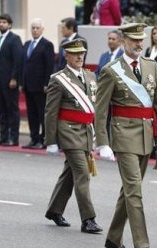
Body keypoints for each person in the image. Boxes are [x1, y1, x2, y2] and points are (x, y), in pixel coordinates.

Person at [95, 23, 157, 248]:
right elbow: (101, 110)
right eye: (134, 40)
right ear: (123, 42)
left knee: (129, 190)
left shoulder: (151, 66)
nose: (139, 44)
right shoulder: (111, 70)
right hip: (124, 136)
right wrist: (102, 142)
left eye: (141, 40)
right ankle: (143, 246)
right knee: (135, 192)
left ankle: (114, 237)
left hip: (147, 136)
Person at [44, 39, 102, 234]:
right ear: (66, 56)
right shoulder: (58, 79)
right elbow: (51, 112)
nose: (79, 57)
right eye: (75, 53)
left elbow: (95, 107)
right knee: (82, 173)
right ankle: (88, 219)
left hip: (85, 132)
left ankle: (54, 210)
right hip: (68, 132)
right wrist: (51, 141)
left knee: (70, 173)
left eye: (82, 53)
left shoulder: (91, 76)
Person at [20, 18, 54, 149]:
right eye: (33, 28)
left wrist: (47, 83)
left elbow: (49, 66)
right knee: (31, 114)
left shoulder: (47, 45)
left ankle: (44, 139)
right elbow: (23, 65)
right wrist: (22, 82)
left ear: (42, 29)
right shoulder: (27, 44)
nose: (34, 30)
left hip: (41, 86)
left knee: (42, 114)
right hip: (28, 85)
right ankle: (33, 138)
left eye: (37, 28)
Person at [0, 14, 23, 147]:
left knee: (12, 109)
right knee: (1, 109)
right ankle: (3, 136)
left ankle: (13, 138)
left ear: (9, 24)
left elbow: (18, 60)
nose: (1, 24)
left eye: (4, 22)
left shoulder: (14, 39)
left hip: (9, 80)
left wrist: (14, 77)